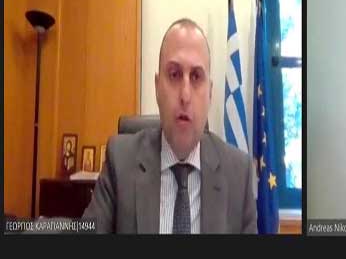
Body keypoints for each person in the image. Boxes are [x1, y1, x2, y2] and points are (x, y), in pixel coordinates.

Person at [83, 18, 257, 234]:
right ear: (157, 88)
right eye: (174, 75)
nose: (185, 95)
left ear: (210, 93)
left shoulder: (239, 174)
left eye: (196, 76)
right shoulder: (120, 161)